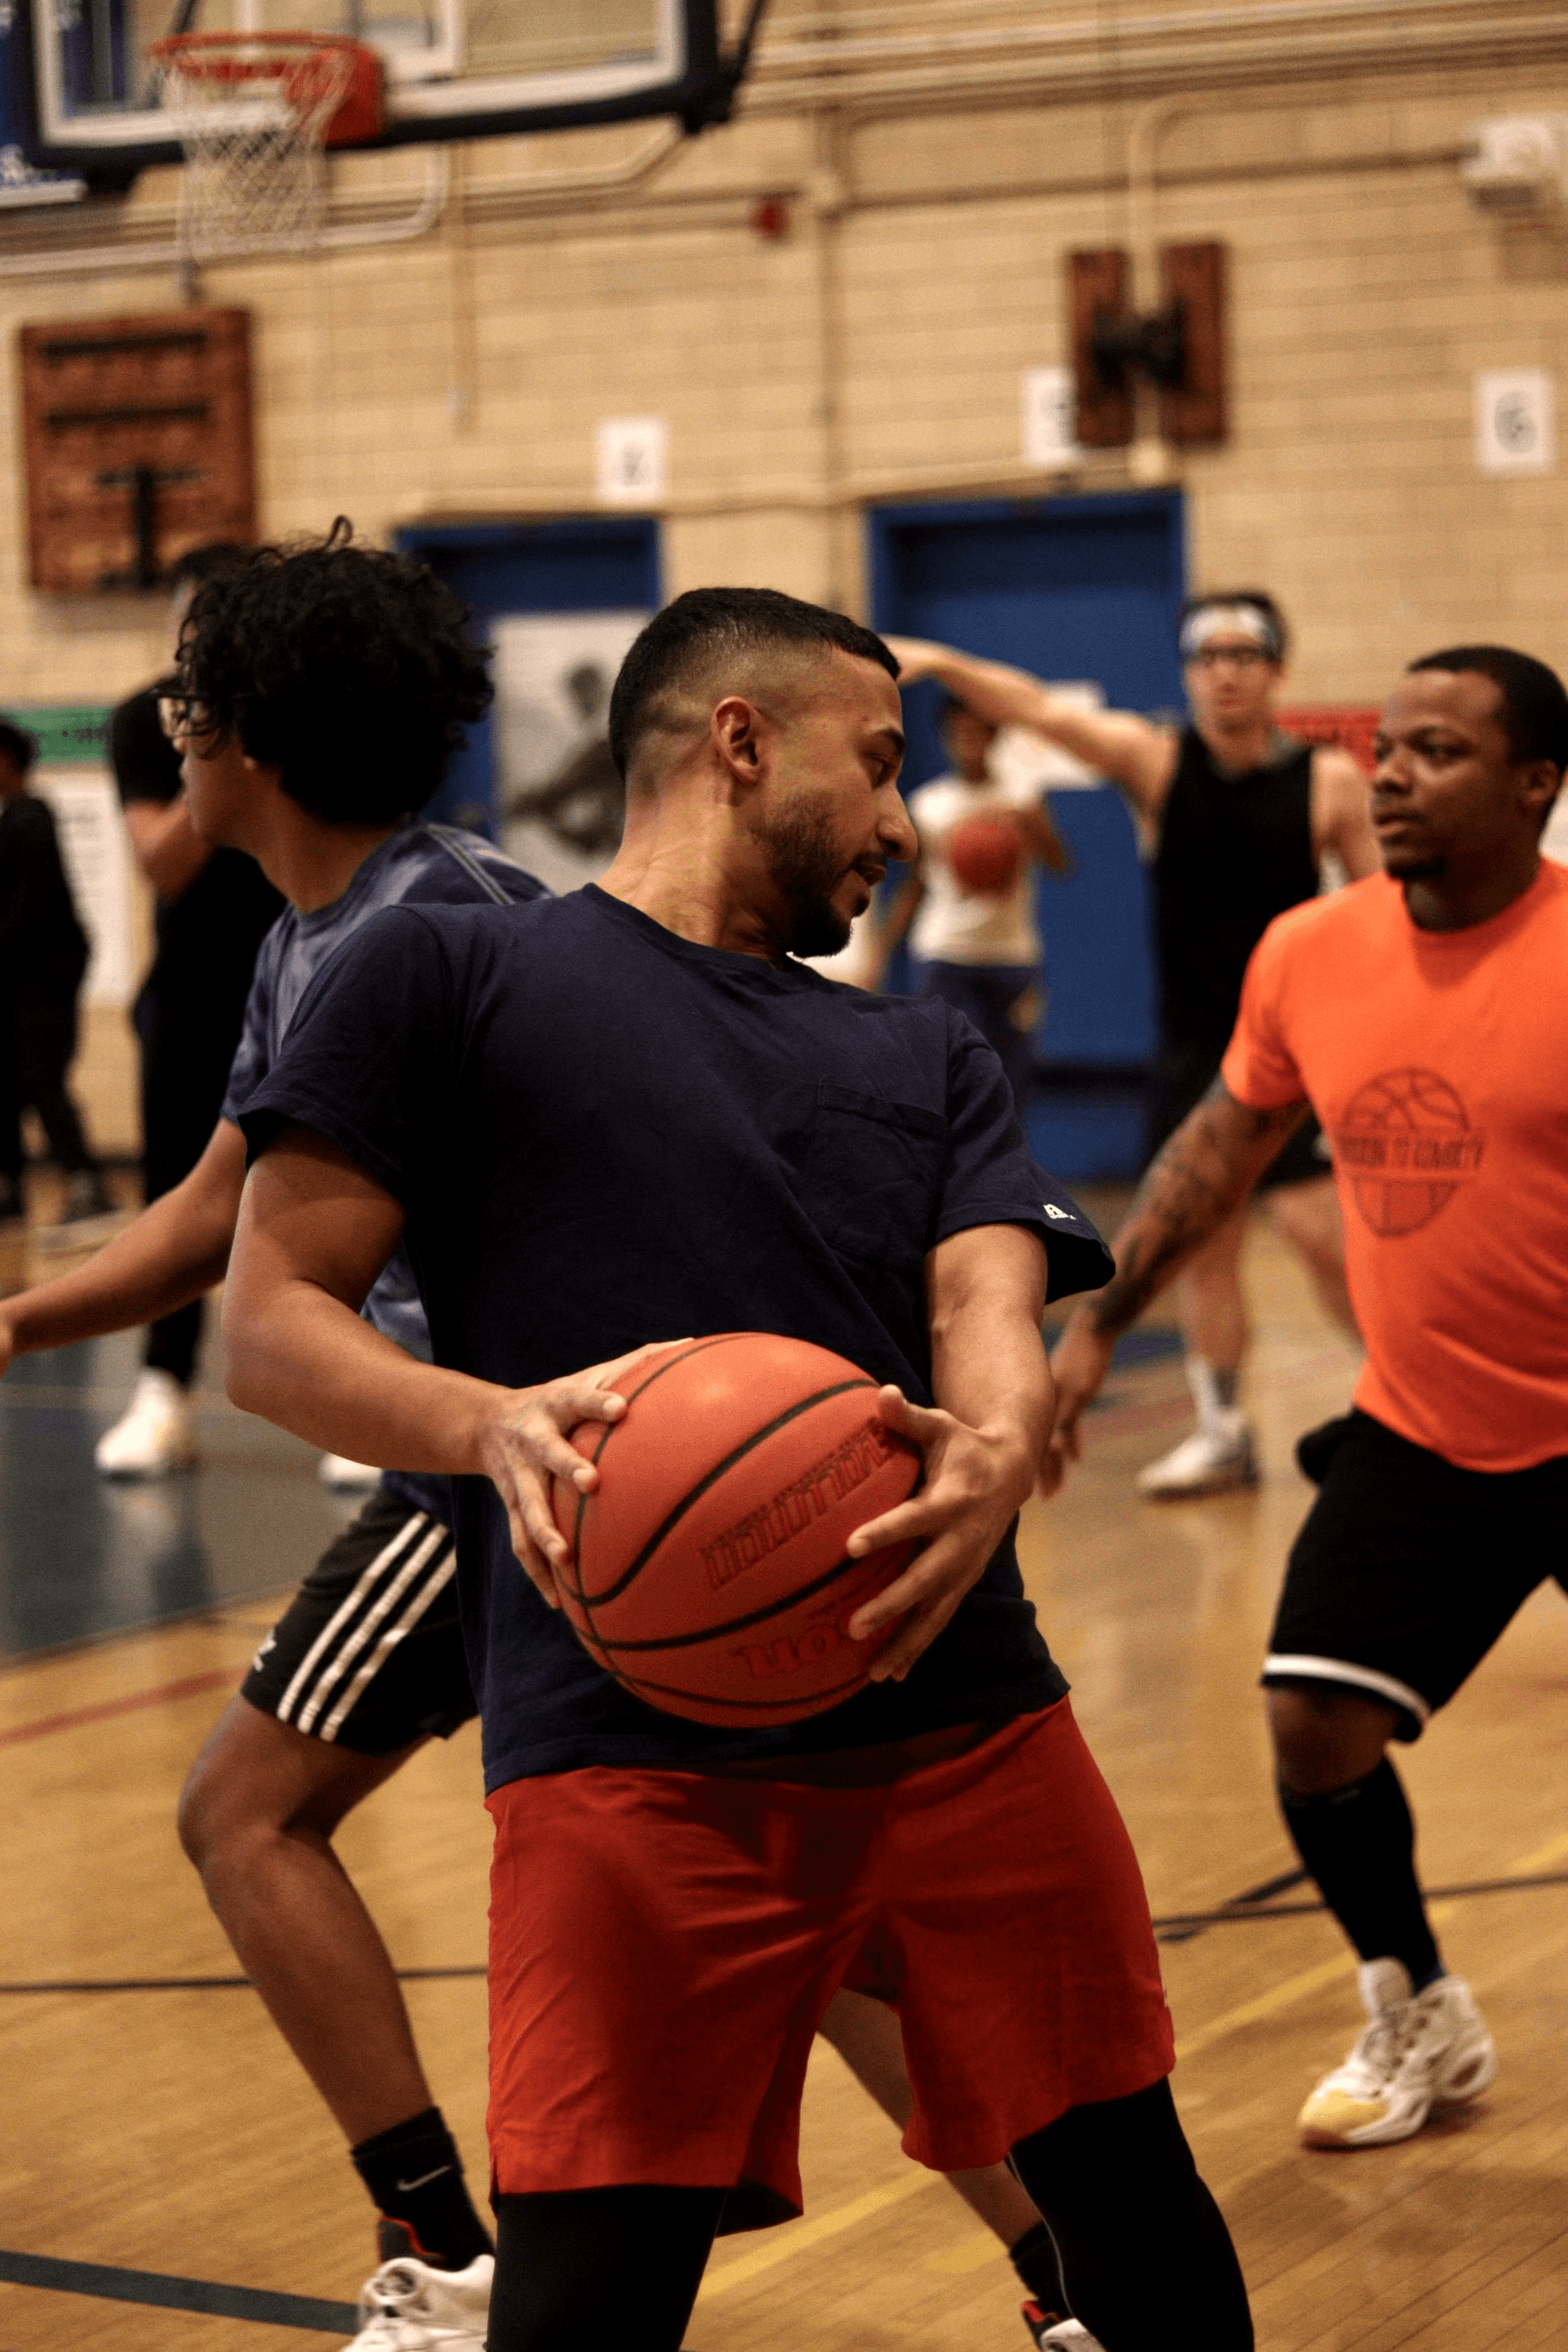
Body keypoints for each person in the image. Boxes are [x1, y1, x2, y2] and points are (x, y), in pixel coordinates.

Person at [221, 582, 1255, 2352]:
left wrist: (995, 1446)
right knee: (592, 2286)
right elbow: (271, 1321)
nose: (897, 815)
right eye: (874, 764)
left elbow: (984, 1290)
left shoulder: (917, 1045)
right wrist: (480, 1418)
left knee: (1124, 2186)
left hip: (959, 1705)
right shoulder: (455, 969)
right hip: (623, 1742)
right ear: (737, 739)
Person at [0, 528, 528, 2351]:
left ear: (254, 739)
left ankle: (448, 2256)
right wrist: (9, 1313)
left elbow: (263, 1301)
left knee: (243, 1812)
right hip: (533, 1463)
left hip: (489, 1469)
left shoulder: (420, 939)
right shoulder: (357, 920)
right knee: (782, 1900)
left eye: (187, 694)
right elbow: (215, 1200)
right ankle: (1064, 2276)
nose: (167, 721)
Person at [1044, 644, 1568, 2151]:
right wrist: (1096, 1330)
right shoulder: (1310, 952)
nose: (1393, 771)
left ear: (1536, 782)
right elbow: (1220, 1147)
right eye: (1387, 746)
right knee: (1313, 1722)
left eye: (1442, 751)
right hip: (1427, 1423)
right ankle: (1415, 2010)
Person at [887, 597, 1379, 1497]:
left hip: (1298, 1053)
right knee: (1203, 1245)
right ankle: (1223, 1429)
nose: (1226, 670)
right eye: (1207, 655)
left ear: (1276, 668)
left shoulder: (1328, 783)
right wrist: (939, 657)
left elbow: (1383, 915)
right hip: (1194, 1049)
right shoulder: (1155, 765)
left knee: (1319, 1235)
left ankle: (1398, 1408)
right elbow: (1039, 707)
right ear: (1188, 673)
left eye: (1246, 652)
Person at [96, 543, 285, 1478]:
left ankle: (386, 1392)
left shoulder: (298, 715)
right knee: (179, 1188)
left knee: (356, 1175)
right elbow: (163, 861)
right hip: (196, 989)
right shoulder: (146, 721)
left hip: (308, 964)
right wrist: (213, 737)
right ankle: (163, 1390)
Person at [868, 694, 1072, 1110]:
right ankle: (951, 1173)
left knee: (1012, 1082)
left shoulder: (1023, 799)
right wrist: (879, 954)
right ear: (947, 738)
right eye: (961, 736)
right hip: (946, 955)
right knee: (951, 1077)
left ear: (996, 738)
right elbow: (914, 886)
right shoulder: (930, 804)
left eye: (981, 735)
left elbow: (1060, 864)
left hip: (1012, 957)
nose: (971, 746)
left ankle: (1005, 1173)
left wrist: (1032, 825)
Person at [0, 716, 117, 1237]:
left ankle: (89, 1183)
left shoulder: (30, 820)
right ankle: (12, 1194)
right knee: (7, 1090)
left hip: (38, 990)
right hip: (21, 989)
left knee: (42, 1084)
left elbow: (27, 916)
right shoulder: (17, 820)